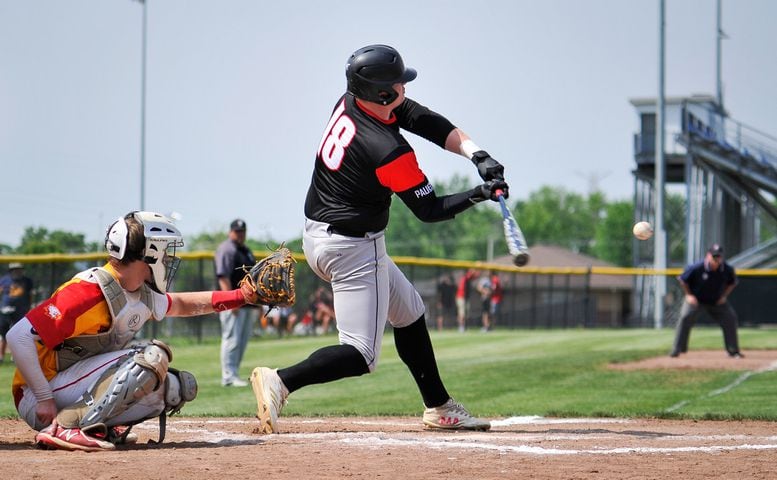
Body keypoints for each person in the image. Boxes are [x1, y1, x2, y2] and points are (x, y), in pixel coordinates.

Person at [250, 44, 509, 434]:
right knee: (362, 353)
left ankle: (439, 406)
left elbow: (425, 120)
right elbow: (430, 210)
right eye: (398, 84)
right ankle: (282, 381)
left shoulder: (353, 100)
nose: (404, 88)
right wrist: (479, 194)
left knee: (409, 312)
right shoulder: (388, 150)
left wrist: (476, 154)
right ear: (382, 93)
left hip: (318, 234)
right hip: (353, 246)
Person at [6, 211, 268, 452]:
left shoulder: (138, 290)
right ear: (149, 253)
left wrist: (241, 296)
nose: (167, 258)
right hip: (38, 392)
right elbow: (17, 337)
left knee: (173, 388)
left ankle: (96, 425)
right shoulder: (88, 291)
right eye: (164, 251)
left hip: (69, 385)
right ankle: (65, 426)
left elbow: (181, 304)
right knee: (148, 360)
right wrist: (43, 398)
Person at [670, 244, 742, 358]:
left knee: (730, 318)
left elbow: (732, 283)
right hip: (696, 300)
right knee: (685, 317)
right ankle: (677, 349)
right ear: (708, 256)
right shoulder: (696, 267)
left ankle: (733, 350)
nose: (716, 259)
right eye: (713, 256)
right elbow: (682, 280)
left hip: (716, 301)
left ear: (722, 257)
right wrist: (689, 295)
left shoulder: (727, 269)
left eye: (718, 256)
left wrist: (724, 296)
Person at [214, 218, 259, 387]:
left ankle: (234, 374)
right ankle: (228, 376)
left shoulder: (245, 250)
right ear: (230, 232)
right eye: (237, 231)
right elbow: (223, 276)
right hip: (232, 303)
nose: (240, 234)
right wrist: (230, 301)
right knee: (231, 339)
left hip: (247, 304)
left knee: (241, 341)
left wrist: (259, 304)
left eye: (242, 231)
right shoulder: (227, 249)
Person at [0, 263, 34, 363]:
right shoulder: (5, 279)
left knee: (17, 334)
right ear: (11, 271)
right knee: (4, 333)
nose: (17, 271)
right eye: (15, 269)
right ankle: (1, 356)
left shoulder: (27, 281)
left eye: (19, 269)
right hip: (5, 309)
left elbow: (31, 294)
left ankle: (14, 357)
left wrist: (30, 306)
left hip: (21, 310)